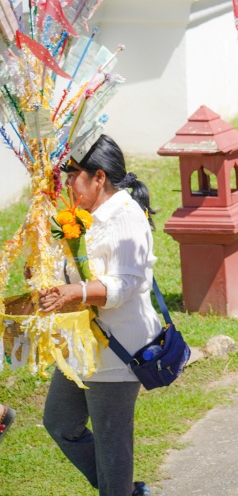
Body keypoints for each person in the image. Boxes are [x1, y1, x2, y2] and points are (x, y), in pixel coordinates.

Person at [38, 135, 159, 496]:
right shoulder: (84, 215)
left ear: (99, 177)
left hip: (116, 352)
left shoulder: (126, 217)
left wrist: (74, 292)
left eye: (72, 175)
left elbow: (124, 284)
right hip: (82, 347)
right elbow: (76, 267)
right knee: (61, 422)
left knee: (112, 447)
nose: (67, 184)